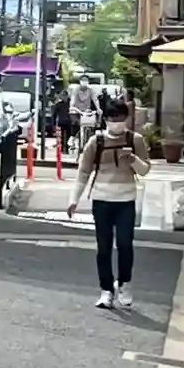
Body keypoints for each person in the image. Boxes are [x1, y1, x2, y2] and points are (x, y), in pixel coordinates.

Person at [69, 98, 151, 310]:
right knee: (103, 248)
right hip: (101, 200)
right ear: (105, 119)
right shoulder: (96, 142)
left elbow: (145, 170)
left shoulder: (135, 140)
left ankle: (124, 284)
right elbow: (84, 172)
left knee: (125, 245)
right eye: (113, 119)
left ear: (127, 119)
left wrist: (132, 159)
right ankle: (106, 290)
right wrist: (74, 200)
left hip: (126, 200)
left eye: (121, 118)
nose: (117, 123)